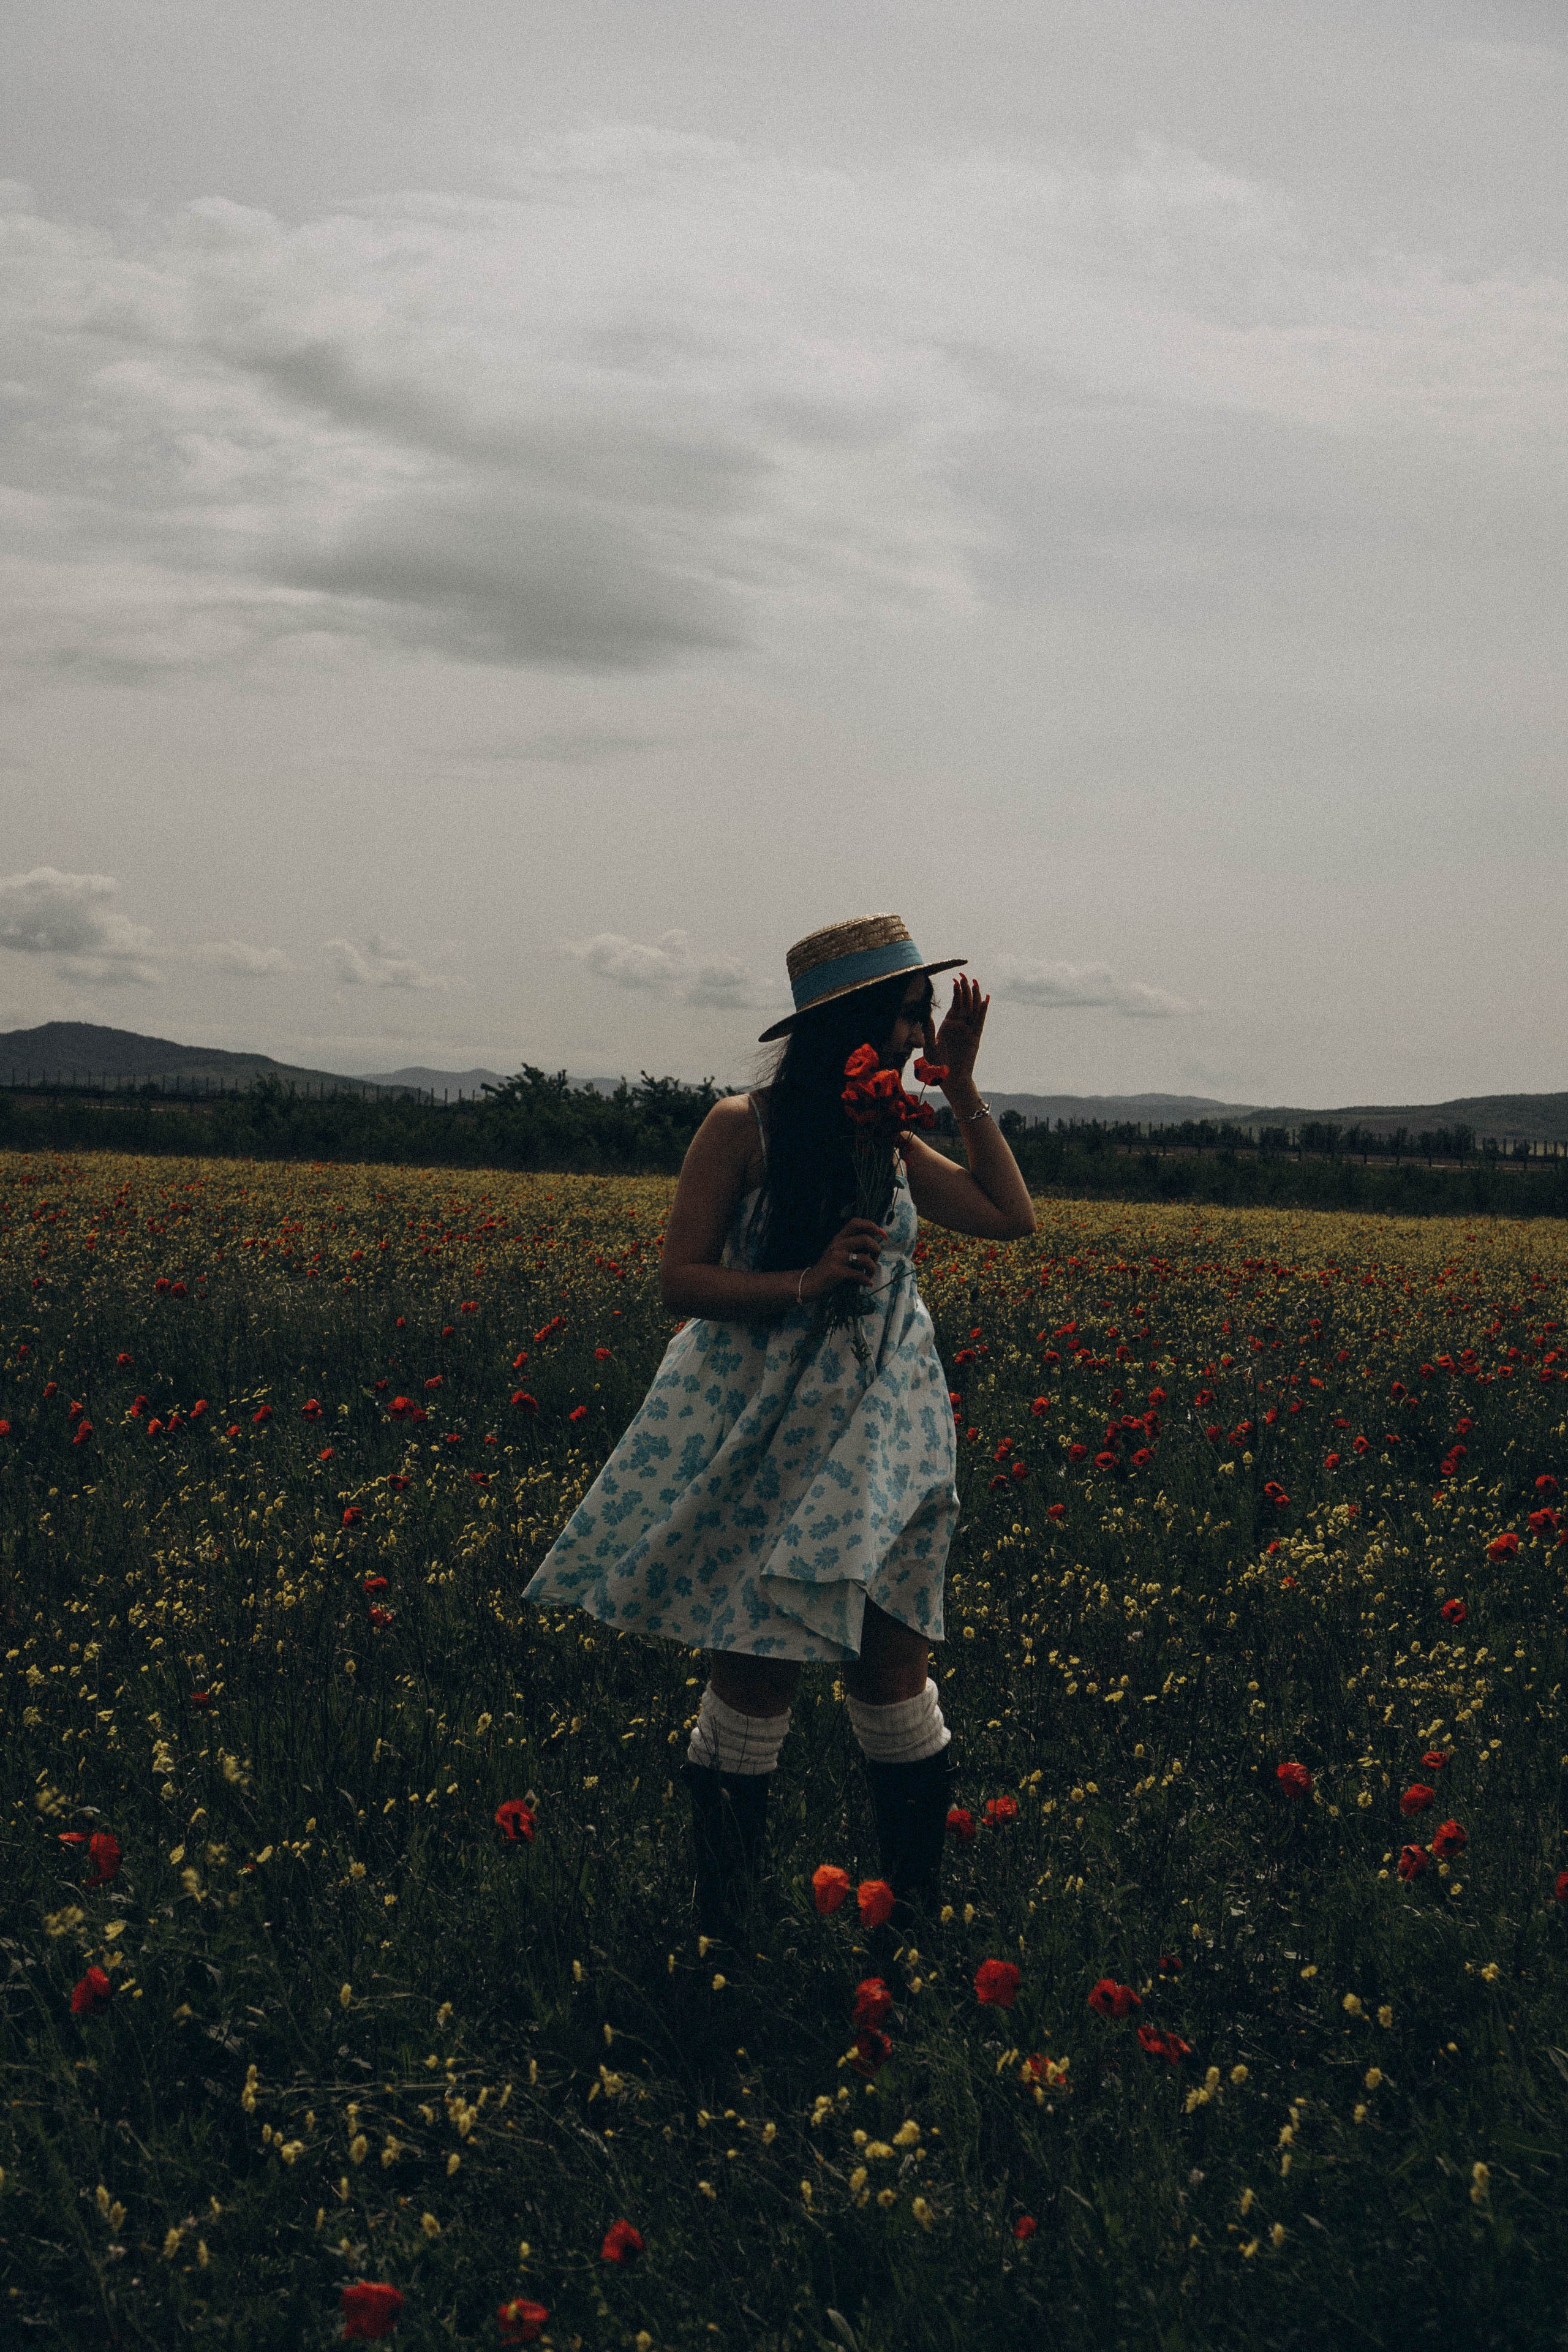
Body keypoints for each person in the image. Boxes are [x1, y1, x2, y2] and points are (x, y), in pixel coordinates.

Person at [522, 913, 1036, 1942]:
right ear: (838, 1023)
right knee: (754, 1668)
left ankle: (914, 1925)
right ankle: (722, 1930)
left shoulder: (885, 1137)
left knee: (895, 1667)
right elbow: (681, 1279)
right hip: (767, 1434)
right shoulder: (739, 1126)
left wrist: (963, 1088)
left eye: (918, 1017)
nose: (909, 1037)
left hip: (885, 1444)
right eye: (899, 1016)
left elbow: (1007, 1214)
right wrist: (803, 1282)